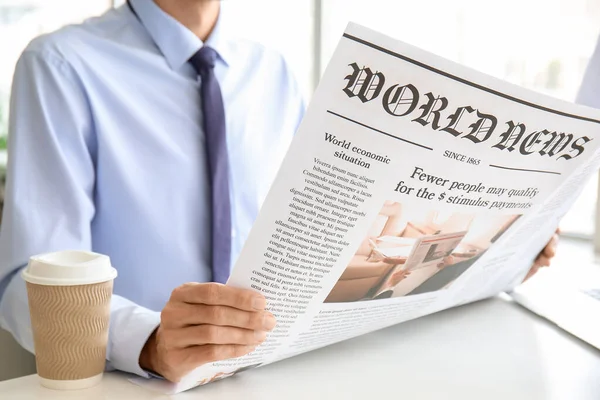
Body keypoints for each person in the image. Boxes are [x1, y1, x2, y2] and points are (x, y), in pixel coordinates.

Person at [0, 0, 557, 384]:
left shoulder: (273, 70)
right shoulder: (60, 65)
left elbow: (330, 237)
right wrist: (147, 342)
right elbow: (28, 281)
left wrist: (499, 256)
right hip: (140, 383)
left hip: (273, 373)